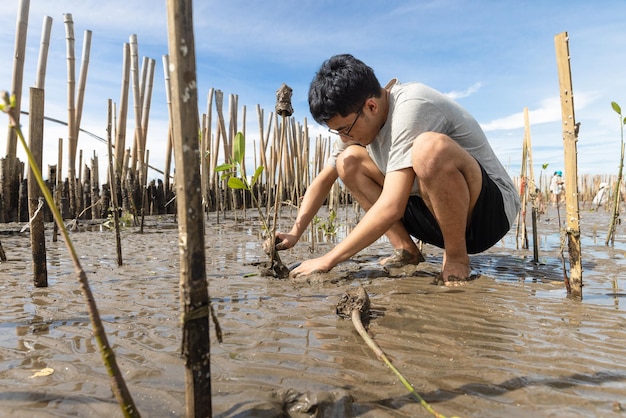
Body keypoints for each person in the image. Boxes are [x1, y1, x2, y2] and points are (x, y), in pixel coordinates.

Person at [271, 54, 520, 286]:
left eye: (345, 129)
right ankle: (407, 251)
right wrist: (294, 233)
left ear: (371, 106)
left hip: (488, 215)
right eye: (337, 132)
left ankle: (456, 258)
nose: (344, 137)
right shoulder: (354, 121)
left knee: (428, 149)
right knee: (348, 161)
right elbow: (324, 180)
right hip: (435, 213)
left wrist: (328, 260)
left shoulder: (412, 105)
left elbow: (392, 206)